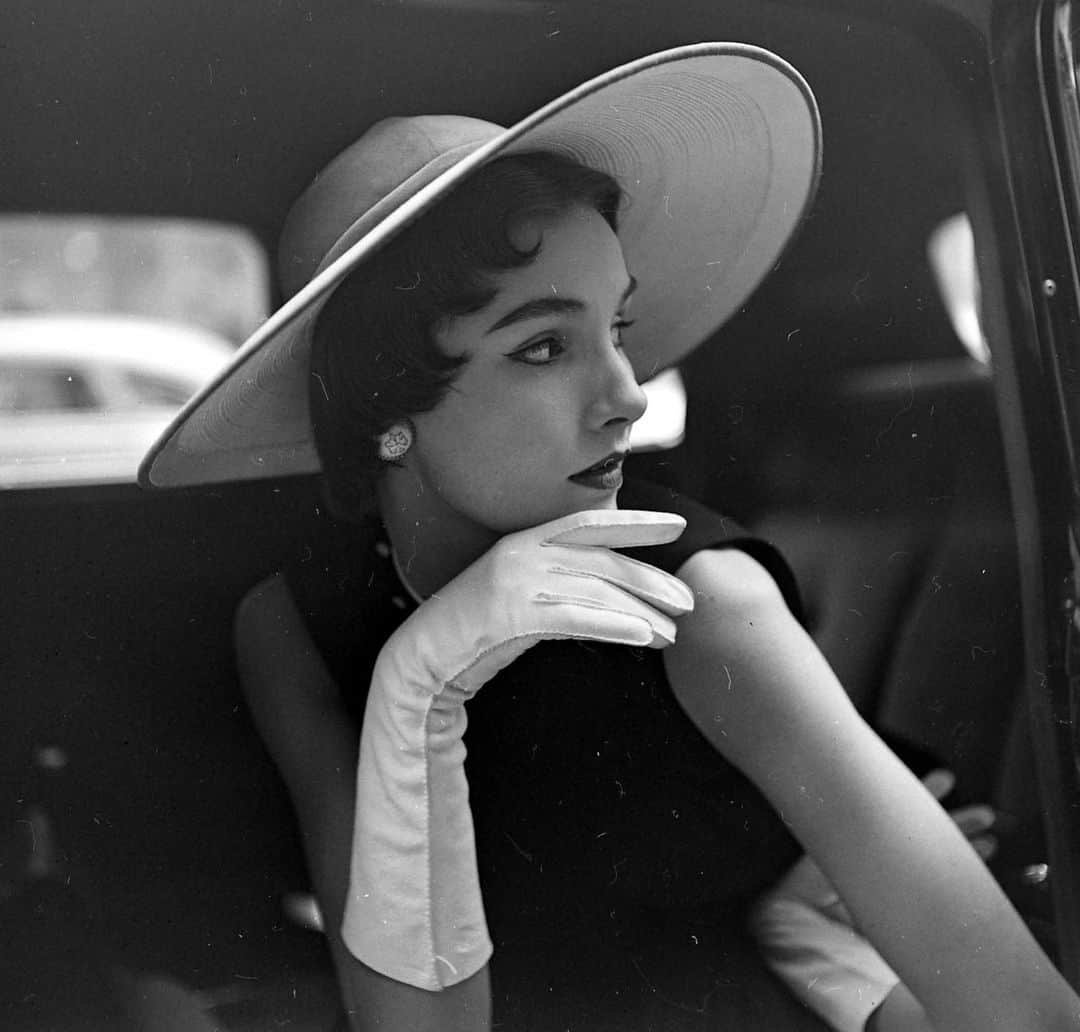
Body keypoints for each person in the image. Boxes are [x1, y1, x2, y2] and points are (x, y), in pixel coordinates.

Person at [140, 44, 1080, 1031]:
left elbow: (1026, 1017)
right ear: (384, 409)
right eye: (545, 347)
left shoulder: (700, 600)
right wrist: (420, 683)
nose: (627, 398)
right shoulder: (292, 628)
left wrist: (811, 941)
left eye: (617, 331)